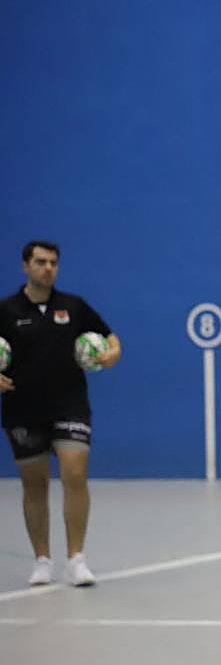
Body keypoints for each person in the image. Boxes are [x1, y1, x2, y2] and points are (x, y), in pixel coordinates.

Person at [0, 241, 121, 587]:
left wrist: (112, 353)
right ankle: (42, 560)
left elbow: (111, 339)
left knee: (74, 472)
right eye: (41, 262)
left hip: (70, 404)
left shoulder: (74, 306)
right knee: (35, 484)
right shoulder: (6, 310)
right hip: (23, 408)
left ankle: (76, 559)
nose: (48, 268)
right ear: (25, 266)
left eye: (53, 263)